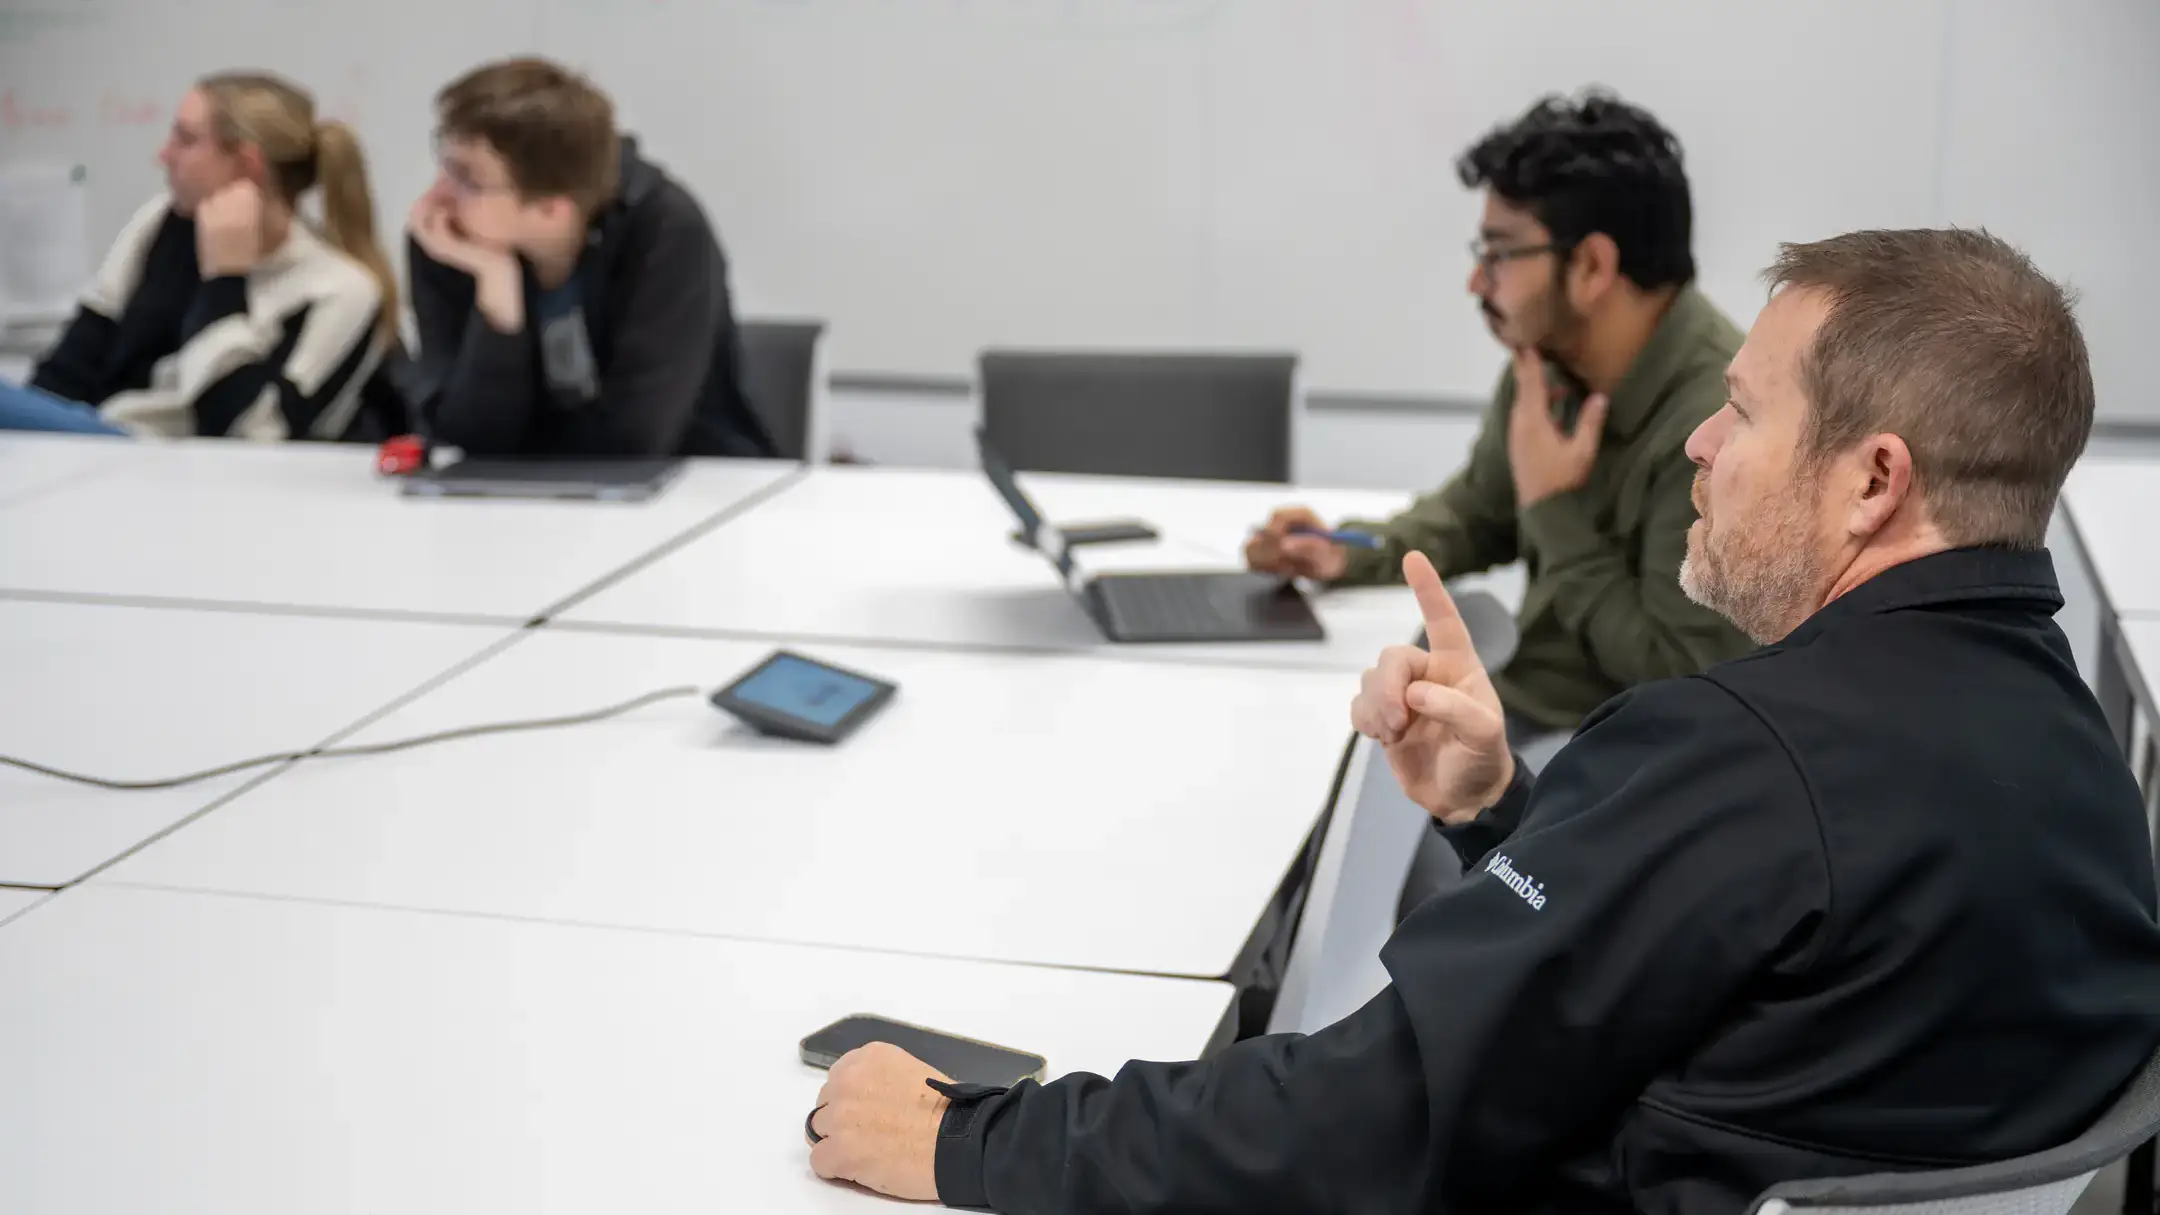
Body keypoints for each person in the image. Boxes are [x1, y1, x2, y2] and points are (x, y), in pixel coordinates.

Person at [799, 228, 2160, 1214]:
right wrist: (1500, 808)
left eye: (1740, 413)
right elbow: (1722, 949)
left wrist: (966, 1136)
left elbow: (1360, 1118)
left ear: (1873, 480)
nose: (1699, 443)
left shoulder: (1736, 751)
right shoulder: (2078, 755)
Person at [1246, 91, 1752, 745]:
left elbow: (1679, 673)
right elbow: (1473, 515)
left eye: (1500, 254)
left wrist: (1552, 503)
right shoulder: (1550, 359)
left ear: (1592, 266)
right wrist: (1345, 550)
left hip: (1606, 751)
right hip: (1518, 703)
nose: (1477, 283)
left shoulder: (1719, 421)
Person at [404, 57, 775, 459]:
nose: (439, 194)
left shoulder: (666, 230)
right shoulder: (451, 243)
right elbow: (467, 437)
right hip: (520, 496)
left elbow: (634, 440)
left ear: (552, 210)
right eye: (444, 163)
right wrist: (498, 304)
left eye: (467, 180)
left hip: (693, 483)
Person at [2, 72, 396, 440]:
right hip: (95, 449)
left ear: (246, 165)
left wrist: (224, 281)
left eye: (185, 140)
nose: (164, 155)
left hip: (177, 463)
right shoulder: (161, 221)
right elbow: (70, 367)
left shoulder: (341, 288)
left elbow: (258, 432)